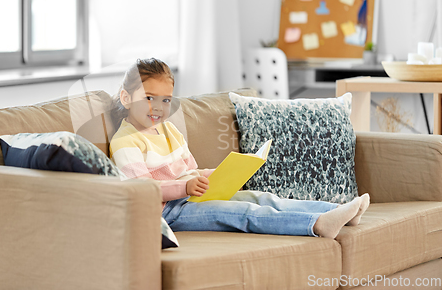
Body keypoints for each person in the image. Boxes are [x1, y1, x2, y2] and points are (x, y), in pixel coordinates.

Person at [109, 58, 370, 239]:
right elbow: (141, 190)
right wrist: (185, 188)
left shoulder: (169, 130)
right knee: (244, 213)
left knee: (262, 198)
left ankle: (334, 211)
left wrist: (217, 174)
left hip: (191, 197)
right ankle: (317, 225)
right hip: (168, 213)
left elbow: (190, 171)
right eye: (149, 98)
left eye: (165, 100)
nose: (158, 107)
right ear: (126, 97)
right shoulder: (125, 142)